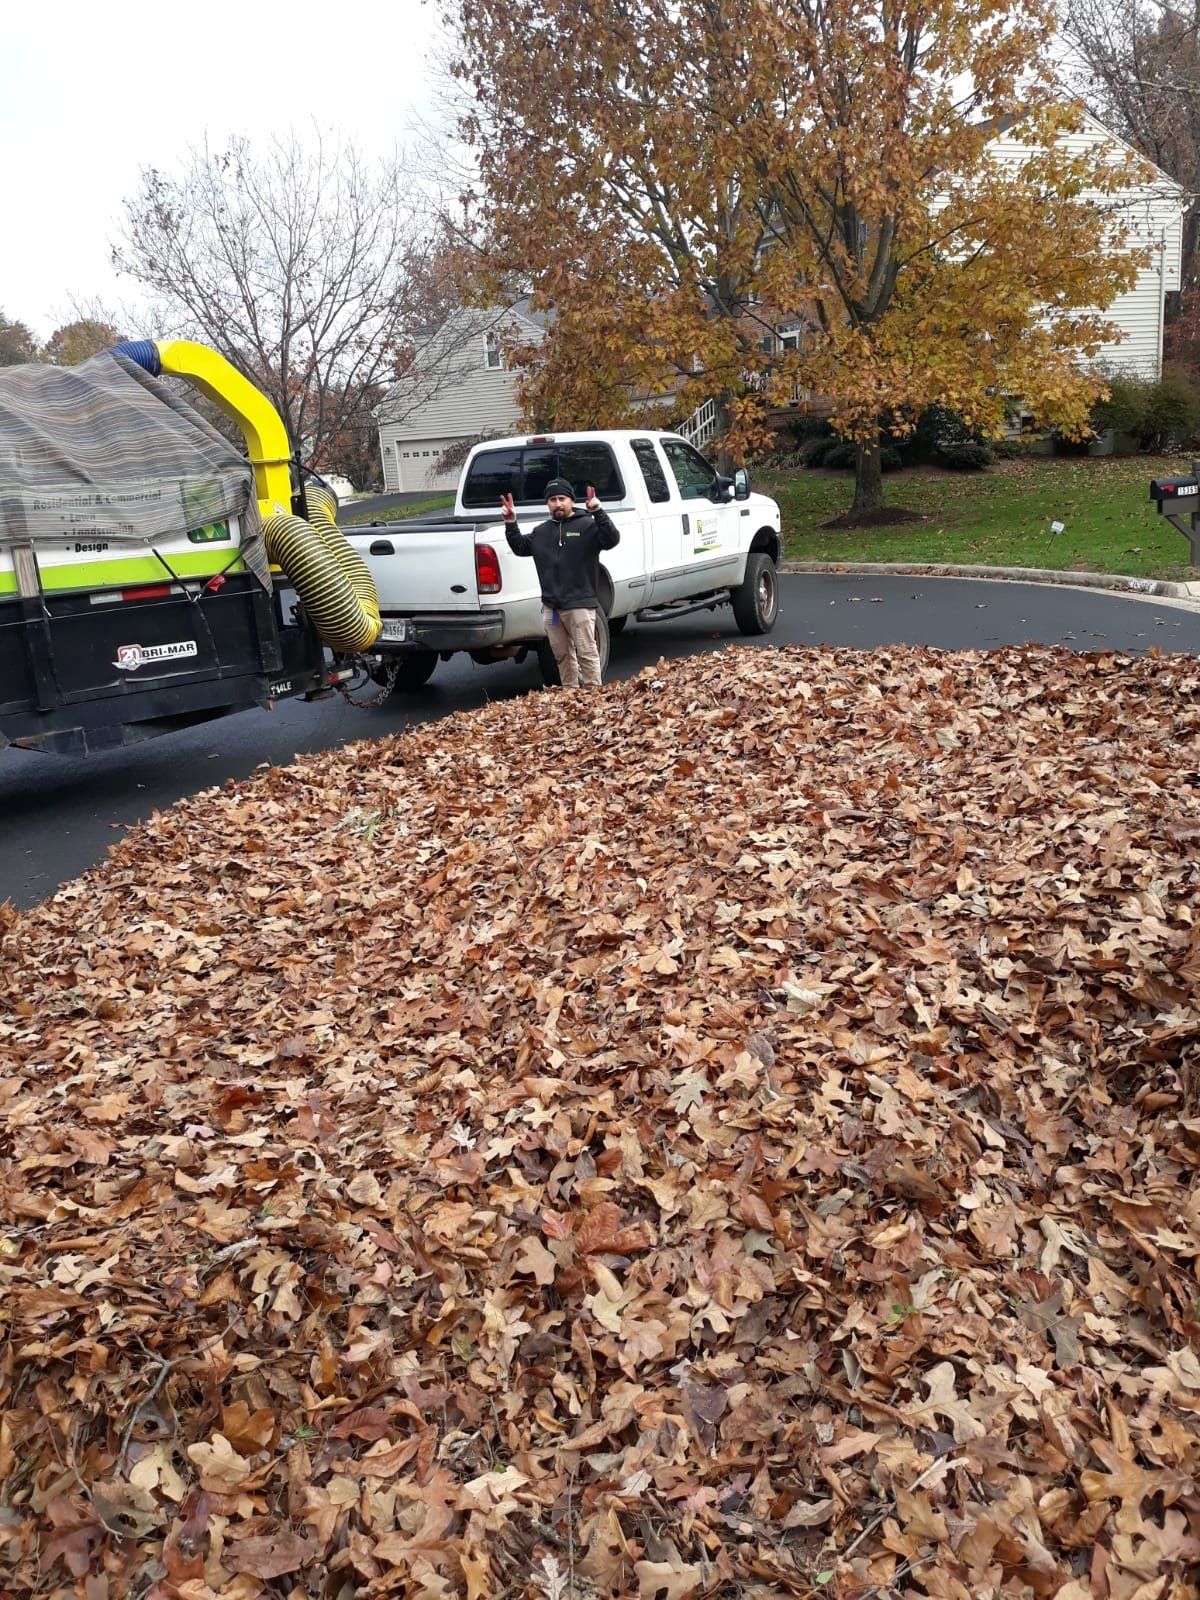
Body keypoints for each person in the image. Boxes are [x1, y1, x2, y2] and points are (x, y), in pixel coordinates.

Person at [501, 477, 620, 688]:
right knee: (562, 656)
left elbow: (612, 539)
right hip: (553, 609)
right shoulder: (541, 532)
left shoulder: (587, 526)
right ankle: (570, 696)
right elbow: (520, 547)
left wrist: (598, 512)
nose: (558, 503)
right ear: (547, 503)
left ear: (571, 501)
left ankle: (596, 700)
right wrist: (511, 523)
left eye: (562, 498)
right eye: (553, 499)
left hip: (580, 606)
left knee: (587, 653)